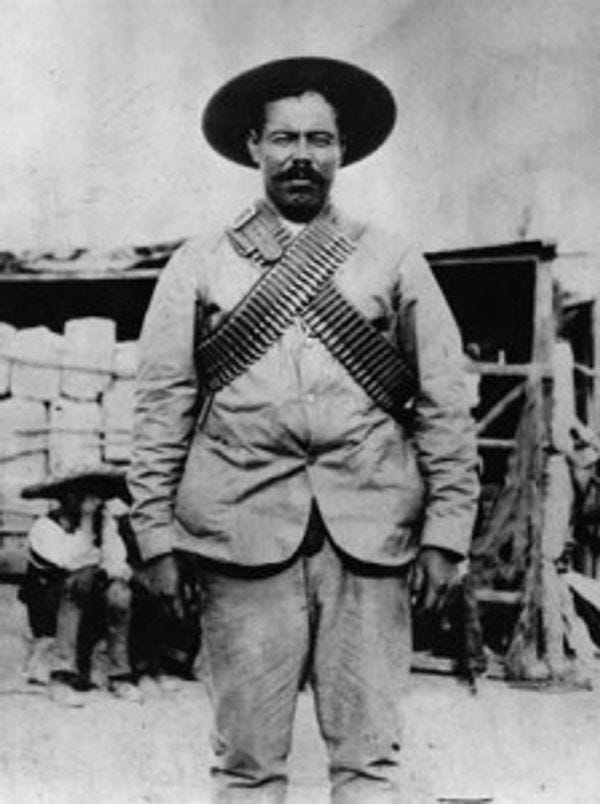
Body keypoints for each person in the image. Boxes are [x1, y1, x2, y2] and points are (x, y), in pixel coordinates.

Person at [128, 57, 480, 803]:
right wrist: (155, 538)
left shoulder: (392, 258)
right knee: (246, 767)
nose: (301, 156)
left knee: (369, 765)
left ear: (341, 150)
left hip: (373, 536)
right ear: (253, 146)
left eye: (319, 139)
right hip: (239, 536)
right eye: (284, 138)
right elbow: (162, 406)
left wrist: (448, 534)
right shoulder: (200, 263)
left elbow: (444, 403)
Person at [19, 467, 139, 705]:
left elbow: (115, 561)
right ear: (66, 497)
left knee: (119, 591)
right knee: (82, 577)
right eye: (82, 494)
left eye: (95, 494)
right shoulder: (45, 527)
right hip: (50, 608)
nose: (91, 502)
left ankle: (119, 675)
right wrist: (86, 524)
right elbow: (71, 562)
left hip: (89, 606)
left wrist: (113, 570)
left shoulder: (105, 524)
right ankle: (61, 675)